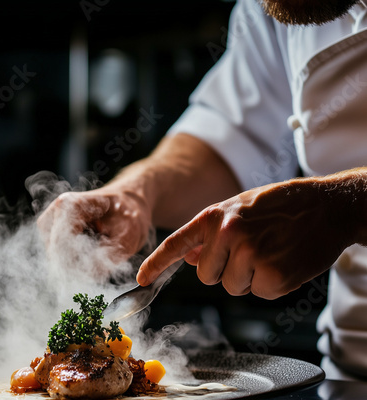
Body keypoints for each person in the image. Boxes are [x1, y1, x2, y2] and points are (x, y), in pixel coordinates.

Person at [38, 0, 367, 380]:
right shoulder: (272, 8)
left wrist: (342, 208)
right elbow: (233, 136)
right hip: (352, 378)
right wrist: (138, 191)